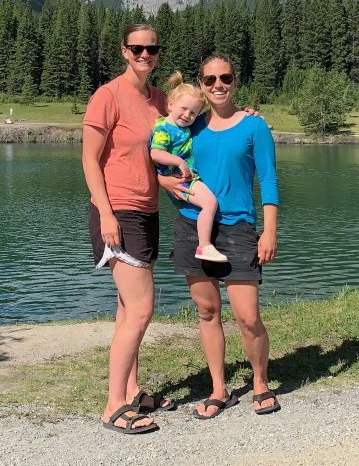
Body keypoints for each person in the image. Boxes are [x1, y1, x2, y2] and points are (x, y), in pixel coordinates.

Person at [161, 54, 281, 419]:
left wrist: (270, 230)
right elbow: (157, 160)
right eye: (210, 79)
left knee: (247, 315)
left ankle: (260, 382)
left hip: (239, 228)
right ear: (201, 84)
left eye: (225, 77)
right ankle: (218, 389)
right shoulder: (188, 126)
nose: (218, 85)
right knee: (208, 311)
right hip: (192, 226)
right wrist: (163, 181)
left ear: (235, 80)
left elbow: (270, 178)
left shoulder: (254, 126)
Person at [82, 23, 171, 435]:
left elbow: (190, 125)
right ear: (124, 51)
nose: (144, 54)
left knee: (125, 309)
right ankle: (113, 404)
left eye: (151, 48)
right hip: (117, 212)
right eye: (137, 48)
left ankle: (132, 390)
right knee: (141, 309)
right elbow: (88, 160)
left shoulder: (158, 100)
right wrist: (105, 213)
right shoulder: (108, 95)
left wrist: (242, 114)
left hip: (148, 211)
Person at [149, 72, 227, 263]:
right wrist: (179, 162)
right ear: (170, 105)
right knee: (210, 203)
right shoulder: (164, 129)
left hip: (183, 179)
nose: (187, 115)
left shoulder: (182, 128)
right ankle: (204, 246)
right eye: (183, 109)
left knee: (200, 209)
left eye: (193, 113)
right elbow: (155, 153)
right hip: (179, 179)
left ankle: (191, 246)